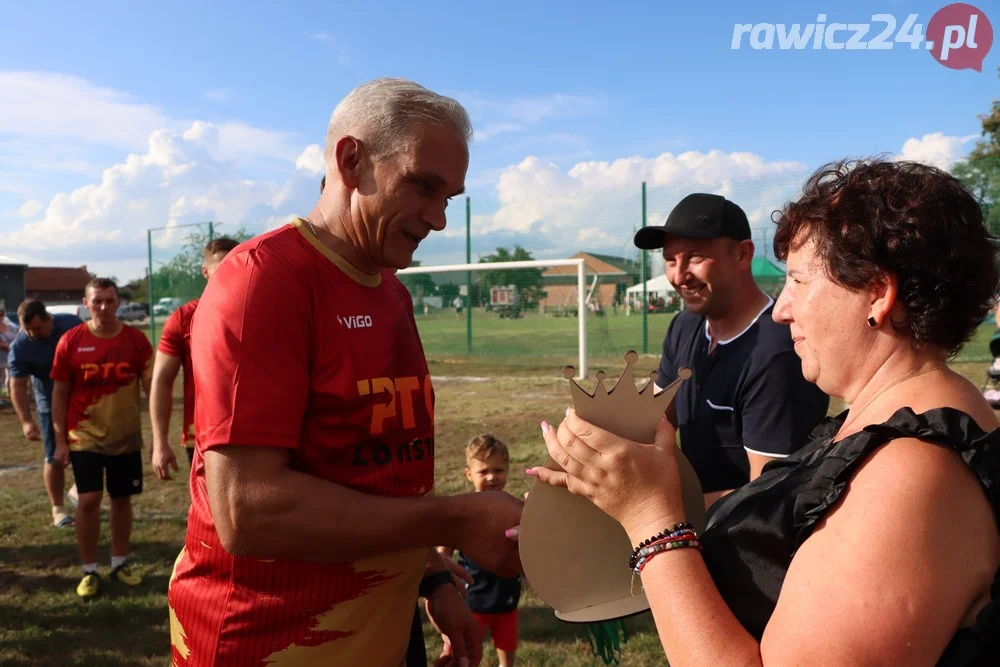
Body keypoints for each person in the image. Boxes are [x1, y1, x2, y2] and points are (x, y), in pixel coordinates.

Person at [528, 158, 1000, 665]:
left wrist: (651, 521)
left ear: (878, 294)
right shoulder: (878, 426)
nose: (781, 308)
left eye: (797, 280)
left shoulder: (912, 474)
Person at [166, 77, 522, 667]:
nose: (437, 219)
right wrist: (456, 518)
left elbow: (379, 472)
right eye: (423, 187)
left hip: (379, 628)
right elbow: (247, 511)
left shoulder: (390, 290)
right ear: (352, 160)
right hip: (269, 642)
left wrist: (430, 577)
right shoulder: (263, 281)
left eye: (449, 199)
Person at [633, 193, 829, 508]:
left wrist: (650, 510)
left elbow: (768, 497)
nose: (679, 276)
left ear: (742, 254)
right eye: (670, 260)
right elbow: (651, 420)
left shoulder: (777, 353)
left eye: (695, 257)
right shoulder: (685, 327)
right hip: (692, 524)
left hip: (744, 544)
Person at [51, 278, 153, 598]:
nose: (104, 307)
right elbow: (60, 393)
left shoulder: (136, 341)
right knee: (90, 499)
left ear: (119, 302)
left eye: (110, 301)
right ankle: (89, 569)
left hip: (125, 437)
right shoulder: (71, 340)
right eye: (98, 302)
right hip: (84, 435)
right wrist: (60, 439)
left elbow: (154, 387)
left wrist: (159, 431)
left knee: (121, 499)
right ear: (86, 303)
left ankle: (119, 563)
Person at [150, 237, 240, 479]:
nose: (229, 271)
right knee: (209, 512)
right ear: (205, 271)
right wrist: (160, 443)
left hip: (254, 432)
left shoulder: (261, 310)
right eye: (221, 265)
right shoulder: (184, 318)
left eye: (235, 263)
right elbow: (161, 381)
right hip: (202, 434)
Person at [440, 434, 522, 667]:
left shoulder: (512, 507)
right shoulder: (465, 511)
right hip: (472, 595)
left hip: (507, 593)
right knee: (466, 647)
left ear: (507, 469)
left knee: (507, 642)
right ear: (469, 474)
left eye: (498, 470)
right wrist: (443, 573)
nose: (492, 477)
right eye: (483, 471)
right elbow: (446, 545)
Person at [6, 299, 82, 528]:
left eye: (37, 328)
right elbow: (17, 386)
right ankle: (57, 508)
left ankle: (79, 489)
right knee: (55, 458)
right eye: (26, 329)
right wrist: (26, 421)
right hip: (49, 408)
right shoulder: (21, 346)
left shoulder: (72, 325)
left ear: (49, 319)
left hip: (82, 402)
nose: (32, 333)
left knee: (90, 451)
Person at [0, 306, 18, 402]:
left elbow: (16, 337)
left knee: (10, 376)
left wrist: (11, 345)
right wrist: (9, 345)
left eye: (1, 315)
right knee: (1, 378)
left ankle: (10, 394)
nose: (1, 317)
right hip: (2, 355)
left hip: (9, 355)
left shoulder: (10, 326)